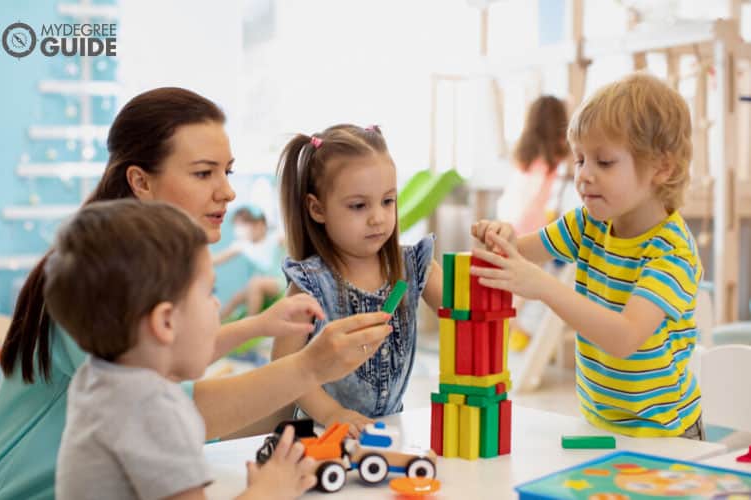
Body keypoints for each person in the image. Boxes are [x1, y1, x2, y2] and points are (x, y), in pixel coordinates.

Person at [0, 88, 393, 499]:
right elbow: (171, 409)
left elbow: (158, 354)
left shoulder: (117, 265)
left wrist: (256, 326)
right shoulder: (106, 278)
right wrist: (309, 368)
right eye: (203, 173)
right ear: (140, 181)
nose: (227, 192)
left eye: (227, 172)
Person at [470, 73, 704, 438]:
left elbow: (625, 338)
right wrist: (502, 237)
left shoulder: (670, 252)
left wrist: (544, 287)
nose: (584, 176)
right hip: (601, 422)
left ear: (662, 168)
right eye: (580, 160)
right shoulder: (587, 223)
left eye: (604, 162)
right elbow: (525, 249)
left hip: (665, 434)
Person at [47, 199, 316, 500]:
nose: (217, 304)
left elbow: (180, 351)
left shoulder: (102, 377)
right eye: (209, 293)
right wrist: (269, 491)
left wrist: (259, 324)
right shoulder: (155, 412)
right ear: (165, 321)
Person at [273, 124, 443, 437]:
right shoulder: (309, 283)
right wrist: (333, 413)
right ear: (317, 209)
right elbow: (283, 369)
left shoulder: (414, 266)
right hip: (319, 434)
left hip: (390, 430)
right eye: (358, 206)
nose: (378, 217)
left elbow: (465, 308)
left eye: (388, 201)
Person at [495, 95, 577, 351]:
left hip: (512, 222)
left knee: (517, 285)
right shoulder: (557, 158)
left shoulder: (526, 155)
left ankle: (512, 325)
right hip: (536, 226)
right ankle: (514, 325)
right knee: (525, 285)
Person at [214, 205, 286, 321]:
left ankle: (251, 321)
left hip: (281, 281)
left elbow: (294, 241)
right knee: (237, 297)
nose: (239, 231)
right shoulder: (243, 244)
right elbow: (218, 258)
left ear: (260, 225)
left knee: (255, 282)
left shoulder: (274, 238)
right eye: (237, 227)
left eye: (243, 226)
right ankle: (217, 323)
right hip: (263, 283)